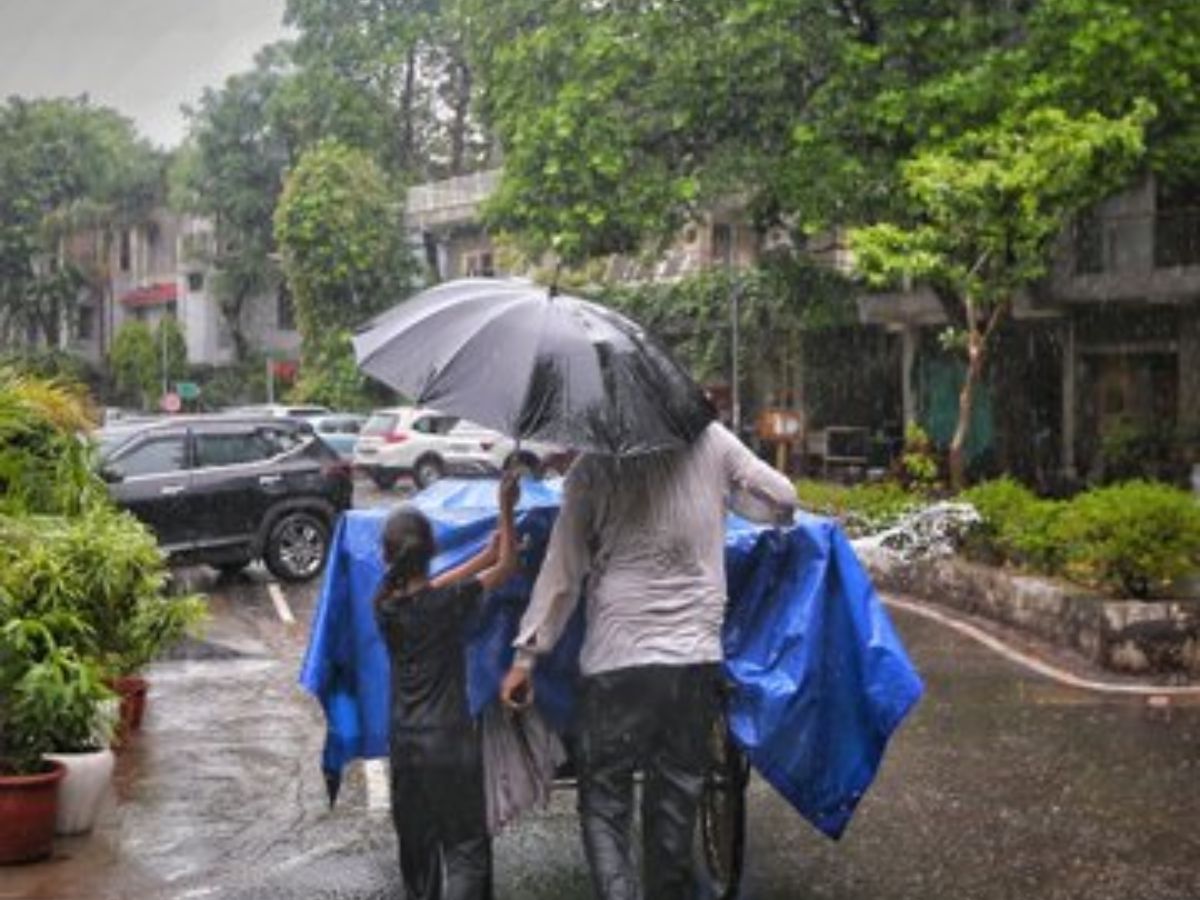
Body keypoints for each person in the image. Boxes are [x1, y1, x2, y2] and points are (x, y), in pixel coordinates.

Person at [499, 420, 796, 900]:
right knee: (676, 801)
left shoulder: (591, 466)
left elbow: (562, 573)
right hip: (694, 664)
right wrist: (727, 496)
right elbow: (782, 497)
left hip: (617, 663)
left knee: (605, 801)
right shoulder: (711, 439)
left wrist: (525, 659)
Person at [374, 471, 520, 900]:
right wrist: (506, 509)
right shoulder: (446, 604)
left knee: (418, 857)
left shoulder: (385, 607)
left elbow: (430, 588)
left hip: (405, 746)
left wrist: (481, 558)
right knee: (466, 851)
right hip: (451, 745)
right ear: (432, 550)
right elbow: (510, 567)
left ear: (388, 557)